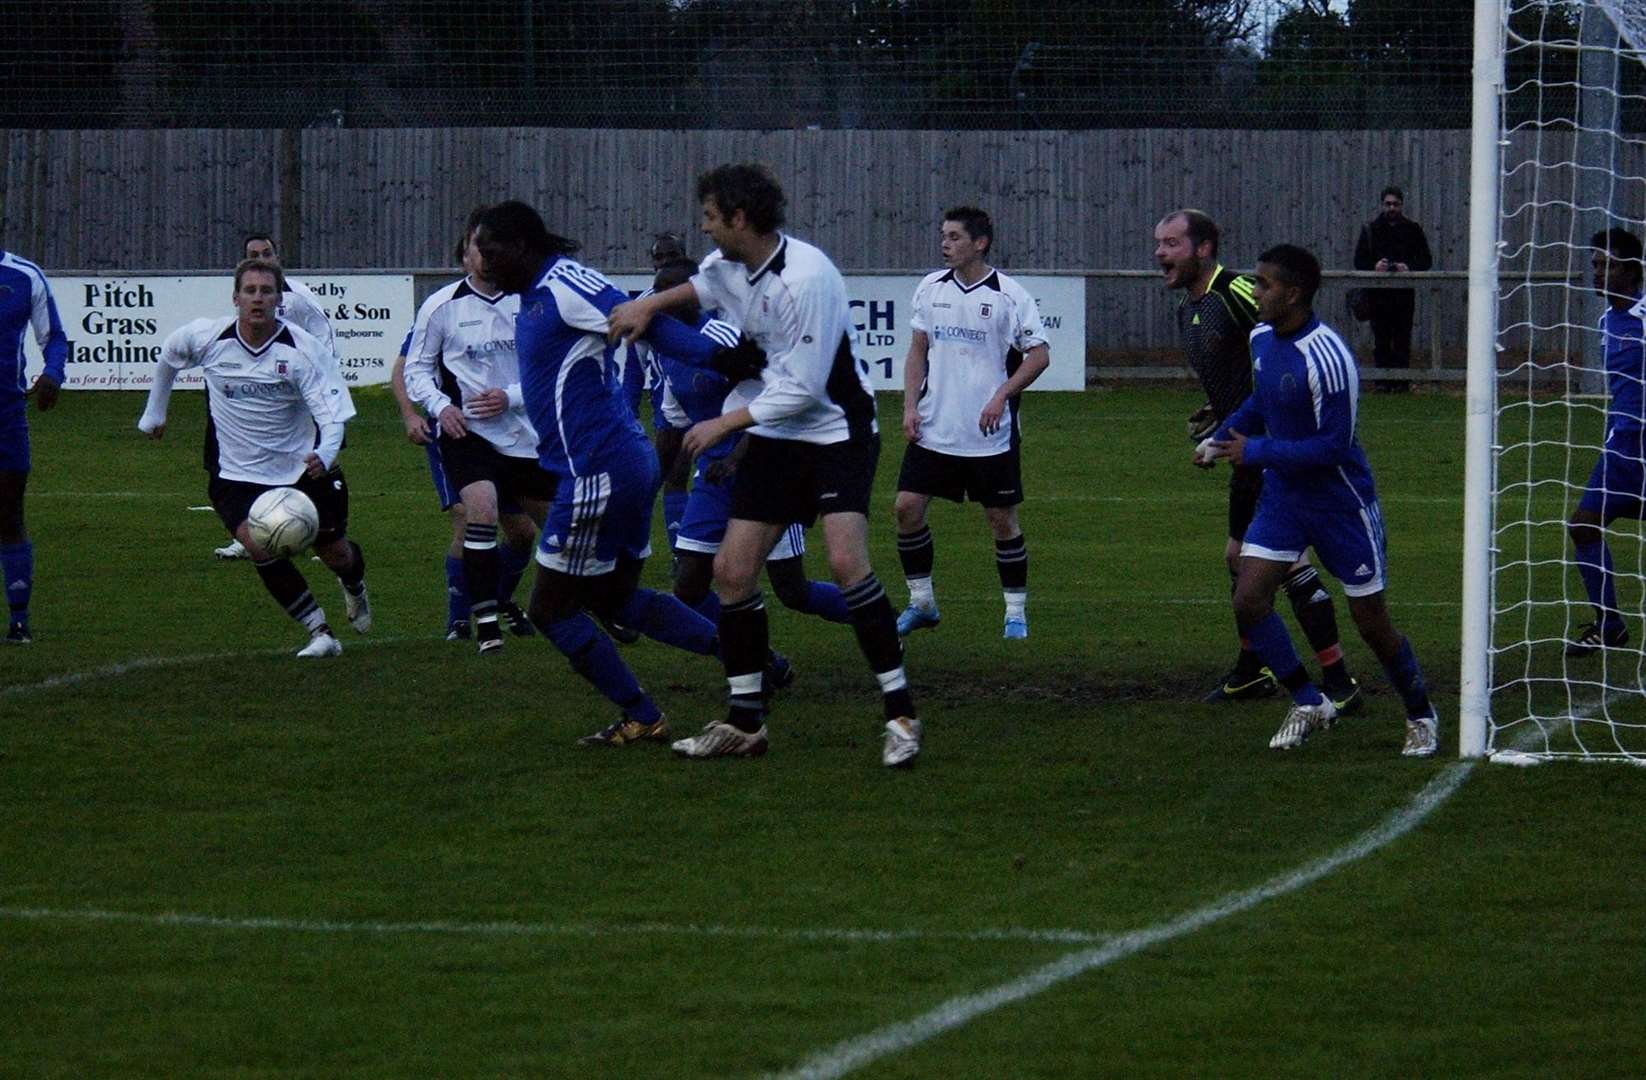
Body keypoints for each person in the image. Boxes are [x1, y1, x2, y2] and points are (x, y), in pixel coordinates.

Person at [609, 163, 921, 767]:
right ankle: (746, 722)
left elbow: (802, 389)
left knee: (847, 561)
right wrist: (650, 308)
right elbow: (698, 287)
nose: (703, 227)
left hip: (836, 432)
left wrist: (722, 423)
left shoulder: (807, 278)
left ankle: (901, 712)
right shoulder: (730, 264)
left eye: (709, 217)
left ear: (739, 219)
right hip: (777, 435)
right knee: (731, 572)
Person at [471, 200, 767, 747]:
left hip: (596, 471)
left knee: (551, 609)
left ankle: (644, 716)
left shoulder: (563, 284)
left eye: (490, 252)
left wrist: (716, 358)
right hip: (613, 463)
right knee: (616, 599)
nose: (483, 264)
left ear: (520, 246)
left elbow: (642, 318)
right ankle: (754, 660)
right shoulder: (537, 295)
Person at [1195, 243, 1438, 757]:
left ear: (1293, 293)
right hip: (1284, 498)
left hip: (1340, 505)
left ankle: (1420, 713)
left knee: (1372, 624)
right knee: (1248, 597)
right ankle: (1310, 701)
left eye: (1263, 284)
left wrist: (1254, 450)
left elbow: (1333, 446)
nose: (1255, 292)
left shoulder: (1328, 357)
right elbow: (1261, 401)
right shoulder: (1261, 337)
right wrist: (1223, 437)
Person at [1156, 209, 1362, 713]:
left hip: (1274, 451)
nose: (1161, 252)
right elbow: (1251, 370)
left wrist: (1266, 423)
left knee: (1280, 561)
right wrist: (1220, 414)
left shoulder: (1239, 292)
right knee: (1242, 560)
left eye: (1172, 243)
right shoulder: (1191, 306)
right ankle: (1260, 669)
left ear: (1203, 249)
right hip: (1245, 447)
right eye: (1159, 243)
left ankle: (1333, 677)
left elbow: (1291, 346)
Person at [139, 258, 370, 657]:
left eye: (266, 291)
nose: (257, 299)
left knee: (336, 554)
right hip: (237, 474)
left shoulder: (303, 350)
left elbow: (333, 419)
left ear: (279, 299)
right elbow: (169, 356)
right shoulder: (208, 338)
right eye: (250, 291)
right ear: (236, 297)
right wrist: (154, 413)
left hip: (301, 471)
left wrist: (325, 452)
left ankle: (354, 586)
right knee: (259, 544)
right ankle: (320, 632)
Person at [648, 257, 850, 631]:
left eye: (670, 291)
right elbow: (674, 422)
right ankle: (761, 659)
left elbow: (774, 399)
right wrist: (651, 481)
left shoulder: (725, 340)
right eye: (657, 292)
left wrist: (739, 458)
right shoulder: (667, 352)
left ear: (693, 293)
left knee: (793, 590)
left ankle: (875, 617)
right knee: (689, 587)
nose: (660, 300)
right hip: (711, 479)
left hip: (766, 472)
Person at [893, 206, 1049, 641]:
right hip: (933, 428)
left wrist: (1002, 395)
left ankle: (1014, 611)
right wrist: (909, 406)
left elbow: (1039, 355)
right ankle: (921, 602)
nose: (945, 243)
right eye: (943, 235)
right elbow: (917, 350)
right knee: (906, 509)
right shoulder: (930, 288)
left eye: (955, 236)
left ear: (979, 243)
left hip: (988, 436)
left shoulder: (1009, 295)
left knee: (1001, 520)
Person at [405, 210, 550, 654]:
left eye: (492, 249)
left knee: (553, 529)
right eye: (476, 248)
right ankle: (482, 622)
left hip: (528, 436)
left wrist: (512, 397)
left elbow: (550, 369)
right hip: (468, 434)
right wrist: (441, 406)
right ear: (464, 254)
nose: (484, 257)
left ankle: (597, 601)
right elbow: (415, 369)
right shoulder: (440, 306)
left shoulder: (530, 302)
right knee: (480, 511)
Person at [215, 232, 344, 559]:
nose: (261, 259)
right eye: (253, 254)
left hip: (298, 394)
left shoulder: (298, 296)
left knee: (314, 460)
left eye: (266, 253)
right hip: (256, 396)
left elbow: (322, 336)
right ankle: (251, 531)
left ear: (277, 257)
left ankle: (320, 527)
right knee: (249, 460)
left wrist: (321, 377)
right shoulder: (247, 297)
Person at [1565, 227, 1646, 656]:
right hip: (1621, 449)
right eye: (1595, 264)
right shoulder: (1606, 321)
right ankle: (1609, 624)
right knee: (1582, 525)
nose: (1597, 272)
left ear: (1631, 270)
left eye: (1606, 265)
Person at [0, 247, 68, 644]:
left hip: (6, 416)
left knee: (9, 515)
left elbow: (54, 337)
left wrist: (53, 374)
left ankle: (18, 620)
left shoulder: (25, 276)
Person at [1352, 186, 1433, 393]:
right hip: (1378, 294)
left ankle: (1401, 382)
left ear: (1401, 205)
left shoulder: (1412, 229)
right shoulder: (1371, 229)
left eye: (1395, 204)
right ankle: (1381, 382)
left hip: (1403, 294)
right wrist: (1375, 267)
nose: (1391, 208)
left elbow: (1425, 260)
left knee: (1402, 338)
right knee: (1381, 338)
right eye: (1388, 204)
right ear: (1382, 205)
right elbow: (1359, 260)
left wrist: (1408, 267)